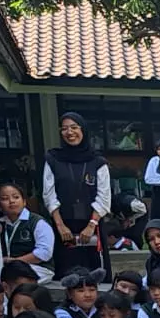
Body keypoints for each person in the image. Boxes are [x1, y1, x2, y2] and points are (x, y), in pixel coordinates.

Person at [42, 111, 111, 278]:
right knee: (66, 271)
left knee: (95, 272)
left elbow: (104, 196)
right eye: (64, 128)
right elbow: (48, 194)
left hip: (91, 225)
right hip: (63, 226)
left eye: (74, 127)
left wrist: (91, 225)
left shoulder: (98, 162)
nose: (69, 132)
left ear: (83, 130)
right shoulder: (53, 158)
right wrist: (60, 225)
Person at [0, 179, 56, 282]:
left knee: (13, 282)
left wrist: (15, 261)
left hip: (37, 267)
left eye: (16, 197)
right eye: (5, 198)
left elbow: (44, 253)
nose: (11, 201)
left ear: (24, 202)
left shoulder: (37, 222)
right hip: (6, 267)